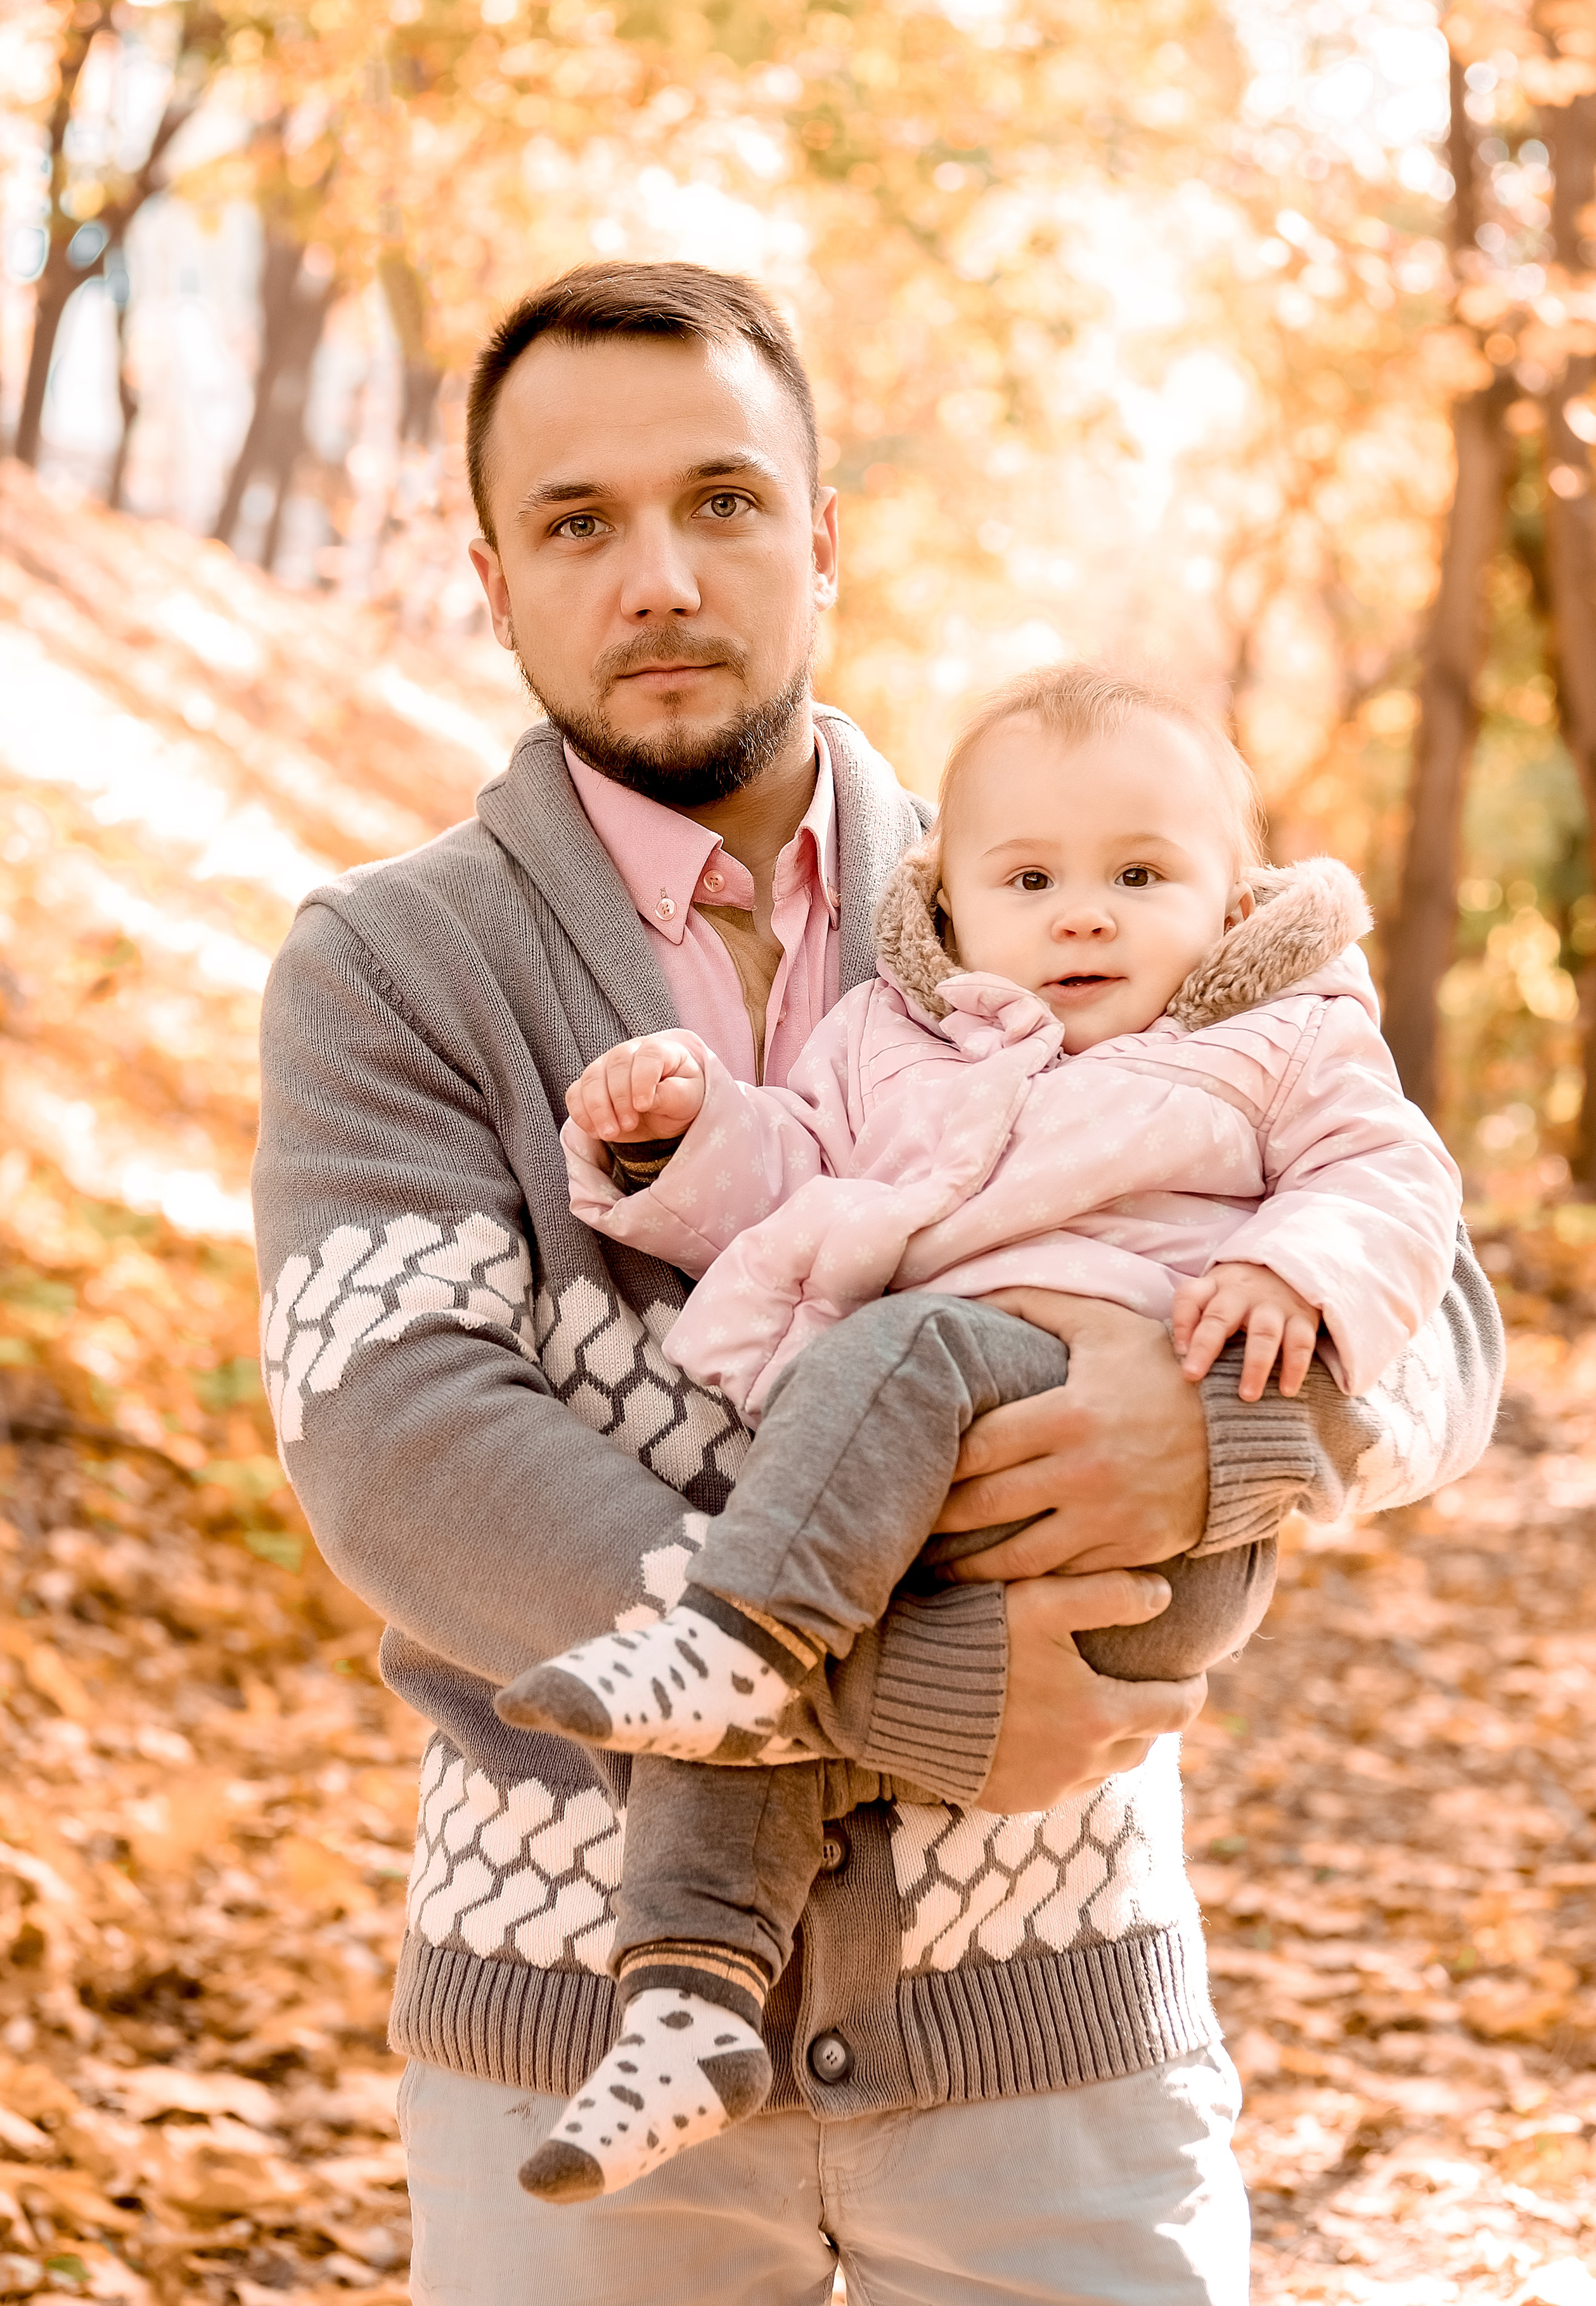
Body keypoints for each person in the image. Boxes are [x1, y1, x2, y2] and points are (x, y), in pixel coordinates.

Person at [250, 260, 1503, 2305]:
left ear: (823, 537)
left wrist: (1219, 1432)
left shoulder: (1066, 882)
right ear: (494, 578)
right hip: (578, 2020)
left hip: (1045, 2002)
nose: (659, 573)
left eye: (724, 500)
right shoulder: (394, 970)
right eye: (579, 522)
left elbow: (1450, 1316)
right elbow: (400, 1450)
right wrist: (891, 1683)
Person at [503, 664, 1463, 2203]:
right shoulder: (893, 1039)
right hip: (888, 1508)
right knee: (721, 1714)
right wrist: (683, 1132)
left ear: (1228, 904)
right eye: (1030, 880)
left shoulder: (1279, 1040)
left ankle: (738, 1631)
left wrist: (1295, 1269)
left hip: (1142, 1551)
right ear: (947, 899)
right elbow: (800, 1177)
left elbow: (1390, 1179)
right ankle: (686, 2001)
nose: (1083, 915)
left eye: (1140, 878)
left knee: (878, 1387)